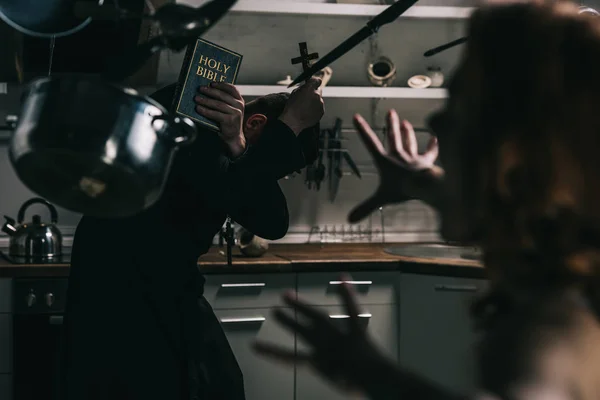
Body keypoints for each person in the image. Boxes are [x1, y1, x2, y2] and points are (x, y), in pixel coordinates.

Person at [254, 1, 600, 399]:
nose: (435, 121)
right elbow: (486, 213)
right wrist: (420, 182)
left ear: (515, 148)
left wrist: (375, 375)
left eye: (459, 104)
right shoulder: (558, 247)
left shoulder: (546, 330)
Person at [59, 77, 324, 400]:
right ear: (255, 124)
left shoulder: (221, 142)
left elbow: (270, 218)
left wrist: (241, 143)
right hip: (129, 294)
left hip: (146, 288)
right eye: (280, 171)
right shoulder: (192, 126)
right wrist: (292, 123)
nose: (274, 177)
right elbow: (259, 203)